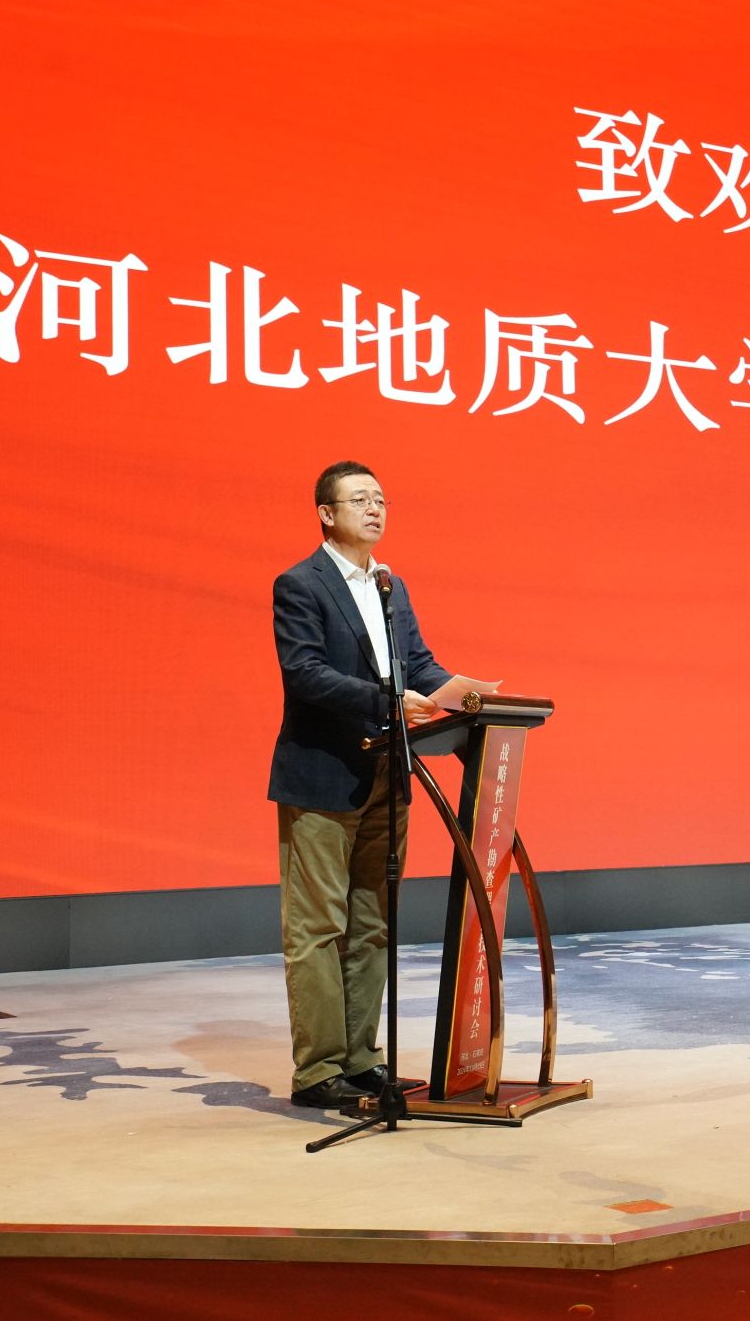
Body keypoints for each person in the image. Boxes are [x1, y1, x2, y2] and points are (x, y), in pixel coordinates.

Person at [269, 460, 450, 1111]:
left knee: (372, 922)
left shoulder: (389, 585)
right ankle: (318, 1071)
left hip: (386, 774)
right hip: (322, 777)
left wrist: (463, 694)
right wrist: (386, 700)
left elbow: (418, 664)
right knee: (319, 927)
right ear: (326, 512)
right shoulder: (300, 583)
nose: (375, 509)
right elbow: (305, 673)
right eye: (360, 499)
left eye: (381, 499)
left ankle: (362, 1058)